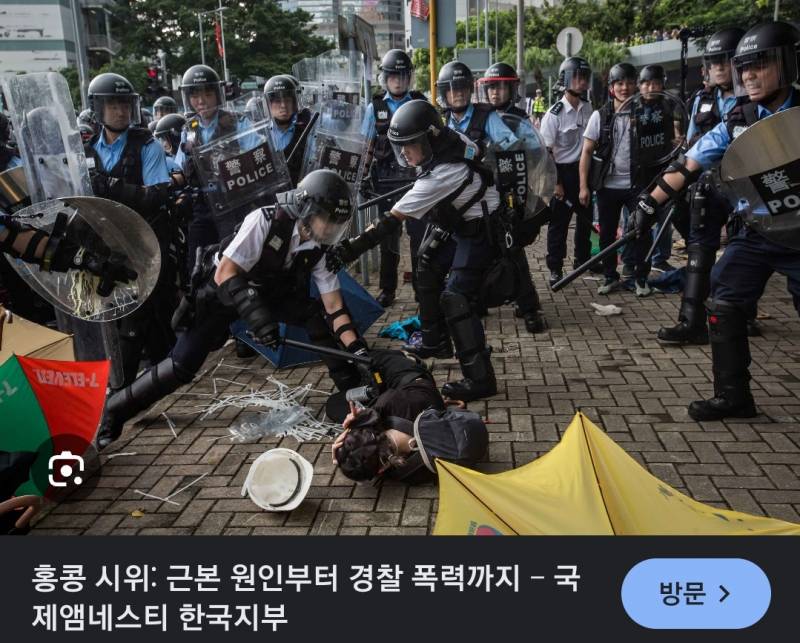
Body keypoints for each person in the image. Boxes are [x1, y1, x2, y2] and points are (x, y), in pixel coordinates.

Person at [95, 169, 369, 449]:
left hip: (270, 292)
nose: (331, 228)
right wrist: (258, 319)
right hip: (222, 294)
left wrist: (357, 348)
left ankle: (353, 392)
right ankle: (115, 409)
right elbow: (225, 272)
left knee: (316, 319)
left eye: (338, 223)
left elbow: (334, 306)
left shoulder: (319, 247)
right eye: (329, 219)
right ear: (307, 208)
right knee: (183, 364)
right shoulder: (264, 220)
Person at [627, 21, 800, 421]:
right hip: (758, 230)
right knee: (724, 296)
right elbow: (690, 162)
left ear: (789, 63)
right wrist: (647, 206)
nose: (751, 75)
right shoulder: (738, 117)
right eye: (746, 67)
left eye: (762, 64)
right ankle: (733, 396)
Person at [327, 100, 501, 402]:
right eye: (400, 146)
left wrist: (346, 251)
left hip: (482, 230)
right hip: (462, 221)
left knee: (456, 298)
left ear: (430, 139)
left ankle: (480, 379)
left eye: (411, 145)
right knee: (426, 262)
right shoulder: (451, 140)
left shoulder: (444, 173)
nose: (405, 153)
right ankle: (435, 341)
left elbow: (388, 222)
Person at [83, 72, 176, 388]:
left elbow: (156, 196)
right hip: (106, 247)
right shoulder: (85, 149)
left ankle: (142, 384)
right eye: (113, 105)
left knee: (154, 314)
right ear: (98, 109)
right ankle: (129, 384)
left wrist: (113, 187)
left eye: (125, 104)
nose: (121, 111)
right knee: (117, 316)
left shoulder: (146, 144)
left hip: (146, 243)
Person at [658, 27, 745, 345]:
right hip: (706, 185)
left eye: (726, 60)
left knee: (743, 255)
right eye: (714, 61)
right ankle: (691, 321)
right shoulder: (701, 99)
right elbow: (692, 144)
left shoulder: (752, 98)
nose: (719, 67)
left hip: (744, 189)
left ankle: (741, 315)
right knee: (699, 251)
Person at [477, 61, 546, 333]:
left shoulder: (520, 118)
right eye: (491, 88)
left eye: (501, 87)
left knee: (512, 248)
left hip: (510, 193)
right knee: (482, 248)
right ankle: (481, 298)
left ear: (512, 88)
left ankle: (528, 304)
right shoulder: (479, 115)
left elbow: (535, 150)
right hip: (482, 193)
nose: (495, 93)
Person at [579, 62, 652, 296]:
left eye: (630, 83)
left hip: (637, 186)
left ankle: (640, 278)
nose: (625, 87)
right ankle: (610, 276)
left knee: (642, 231)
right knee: (607, 234)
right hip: (607, 187)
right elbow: (587, 152)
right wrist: (583, 186)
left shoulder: (646, 113)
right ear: (612, 87)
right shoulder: (600, 116)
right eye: (619, 83)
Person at [362, 49, 426, 308]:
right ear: (385, 78)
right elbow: (366, 146)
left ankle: (423, 290)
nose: (398, 80)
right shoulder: (374, 108)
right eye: (393, 76)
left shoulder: (420, 104)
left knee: (419, 238)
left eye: (402, 75)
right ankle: (387, 290)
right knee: (388, 238)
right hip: (384, 185)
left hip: (417, 182)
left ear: (409, 77)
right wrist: (361, 178)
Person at [332, 348, 445, 483]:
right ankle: (408, 358)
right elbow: (375, 411)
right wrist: (355, 425)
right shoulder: (390, 404)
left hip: (426, 400)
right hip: (412, 378)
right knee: (377, 357)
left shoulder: (411, 473)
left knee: (335, 405)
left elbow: (377, 463)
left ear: (380, 471)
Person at [540, 56, 595, 287]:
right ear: (565, 80)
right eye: (577, 77)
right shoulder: (554, 114)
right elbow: (546, 153)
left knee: (585, 221)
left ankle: (582, 261)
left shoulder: (589, 108)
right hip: (561, 173)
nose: (581, 83)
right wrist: (557, 184)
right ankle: (555, 267)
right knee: (559, 225)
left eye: (584, 78)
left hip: (583, 172)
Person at [265, 74, 314, 186]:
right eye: (277, 101)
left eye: (287, 100)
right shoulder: (260, 134)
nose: (283, 106)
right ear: (268, 104)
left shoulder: (308, 130)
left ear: (294, 103)